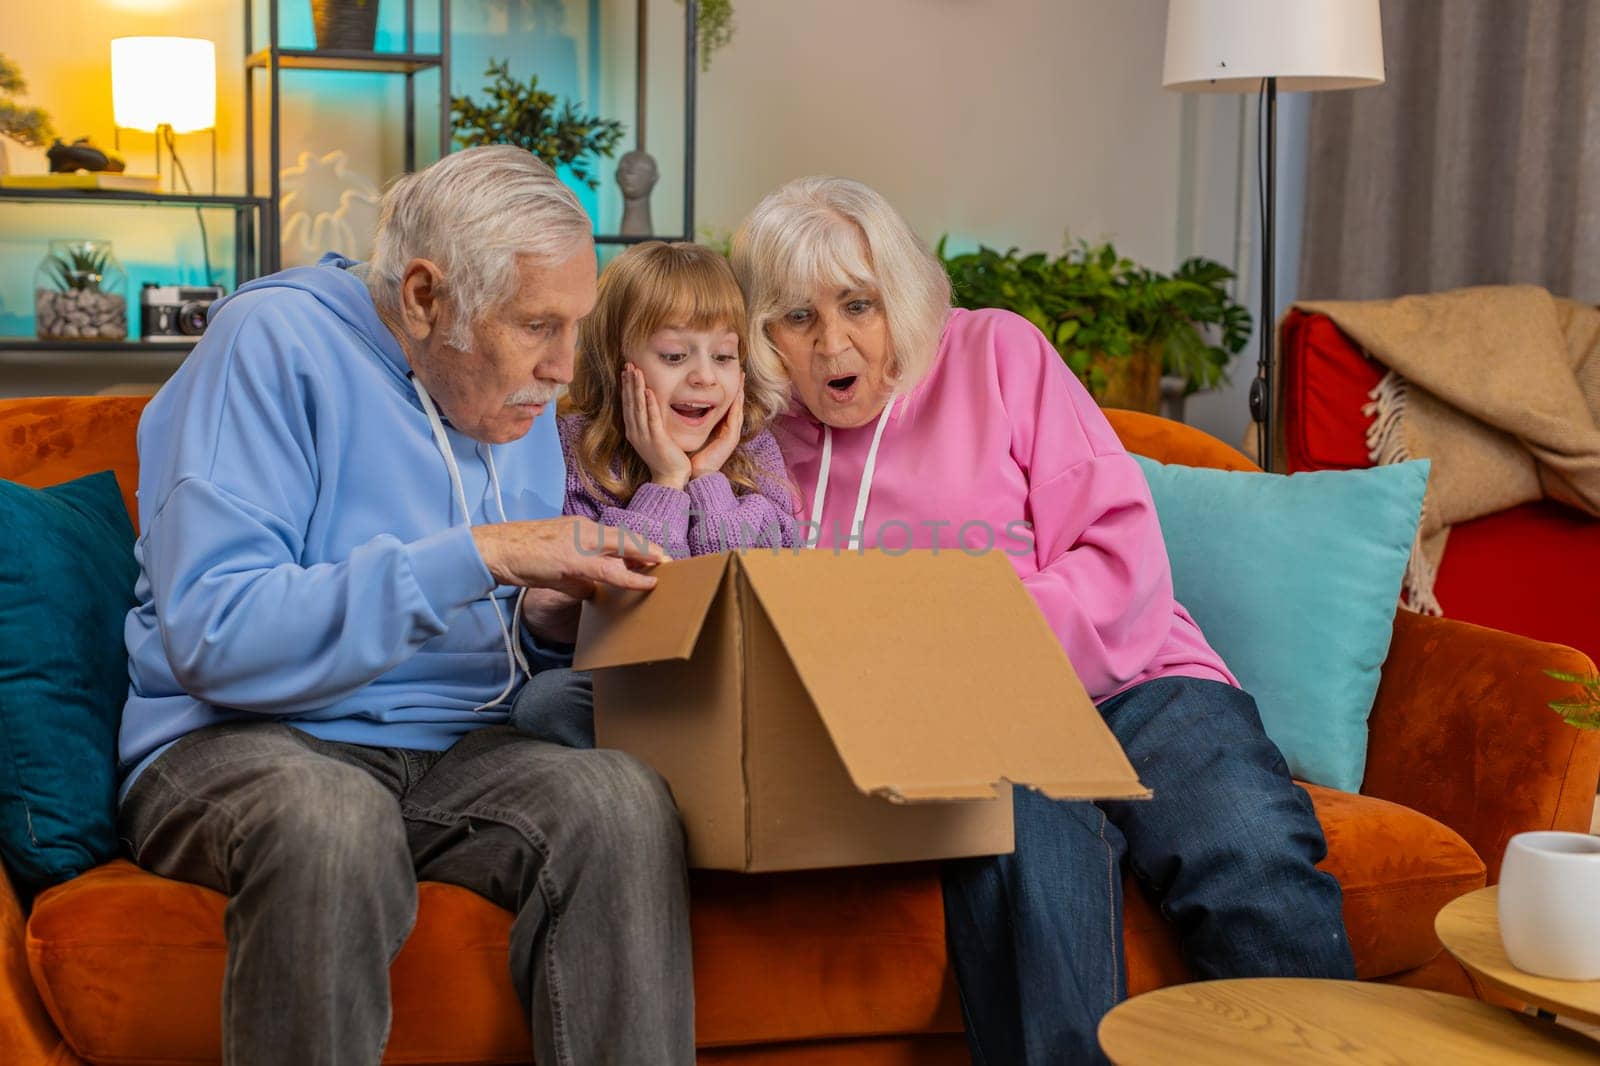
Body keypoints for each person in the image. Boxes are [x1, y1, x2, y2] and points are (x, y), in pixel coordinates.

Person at [730, 176, 1355, 1065]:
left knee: (1249, 850)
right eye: (796, 318)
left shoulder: (997, 354)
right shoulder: (759, 443)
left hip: (1139, 681)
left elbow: (1121, 560)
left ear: (899, 296)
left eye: (858, 304)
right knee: (1033, 889)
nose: (834, 341)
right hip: (972, 731)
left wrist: (960, 634)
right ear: (761, 337)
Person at [117, 145, 696, 1066]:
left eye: (576, 326)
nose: (563, 368)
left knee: (621, 800)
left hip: (458, 748)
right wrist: (483, 555)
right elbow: (214, 631)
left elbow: (495, 629)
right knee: (330, 819)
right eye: (538, 325)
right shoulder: (269, 346)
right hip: (241, 737)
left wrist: (546, 622)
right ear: (424, 297)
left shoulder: (509, 391)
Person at [511, 239, 798, 748]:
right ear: (616, 358)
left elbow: (751, 603)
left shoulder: (755, 454)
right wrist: (666, 483)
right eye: (674, 355)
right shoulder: (572, 451)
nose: (705, 376)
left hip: (734, 681)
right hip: (623, 683)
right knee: (546, 702)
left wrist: (707, 481)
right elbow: (611, 610)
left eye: (725, 356)